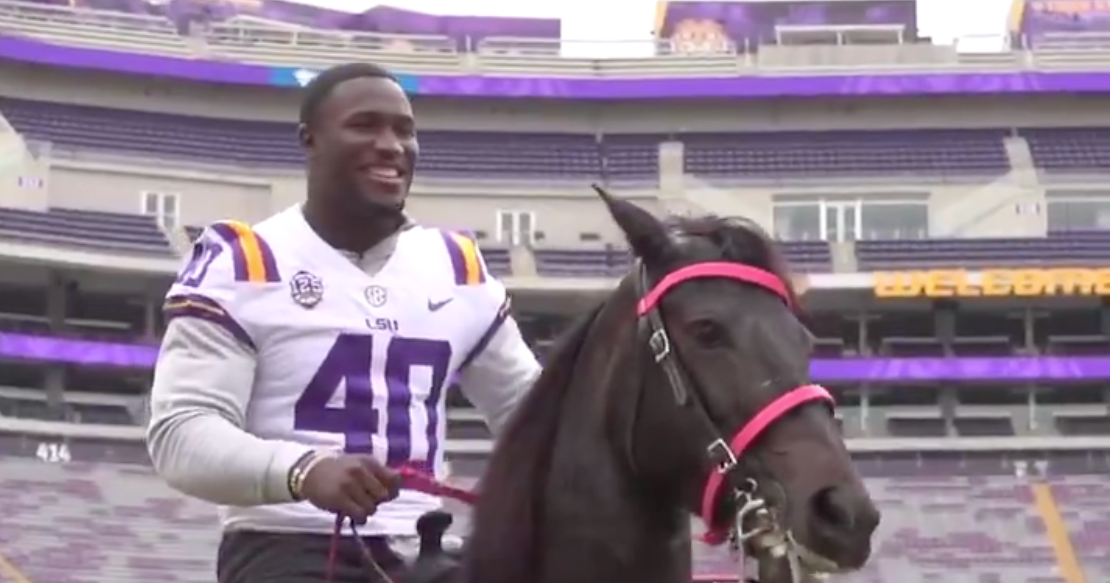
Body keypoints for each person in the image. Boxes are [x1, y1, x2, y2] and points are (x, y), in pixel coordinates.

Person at [146, 63, 542, 583]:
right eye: (365, 125)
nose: (391, 145)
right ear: (310, 140)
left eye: (404, 130)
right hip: (288, 543)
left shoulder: (456, 266)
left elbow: (535, 419)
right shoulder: (245, 261)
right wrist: (302, 470)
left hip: (429, 547)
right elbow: (180, 434)